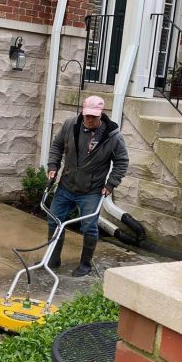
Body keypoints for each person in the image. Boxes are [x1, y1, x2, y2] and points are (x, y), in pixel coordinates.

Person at [46, 95, 129, 277]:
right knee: (54, 220)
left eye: (93, 116)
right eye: (87, 116)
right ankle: (53, 259)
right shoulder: (71, 125)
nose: (89, 120)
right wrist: (53, 166)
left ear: (101, 115)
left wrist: (111, 184)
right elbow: (57, 145)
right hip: (66, 185)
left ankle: (85, 264)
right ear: (83, 113)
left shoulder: (112, 136)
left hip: (91, 191)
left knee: (89, 227)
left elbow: (122, 162)